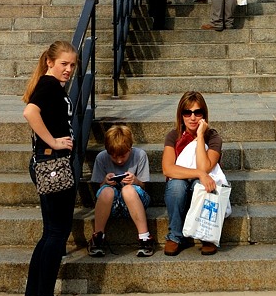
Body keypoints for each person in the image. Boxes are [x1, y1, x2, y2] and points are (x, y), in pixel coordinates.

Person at [20, 41, 80, 296]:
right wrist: (54, 141)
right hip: (54, 165)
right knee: (57, 233)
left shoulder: (49, 85)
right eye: (63, 64)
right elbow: (30, 113)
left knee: (49, 233)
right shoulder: (48, 85)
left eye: (72, 65)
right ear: (50, 62)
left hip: (46, 165)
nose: (68, 69)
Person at [161, 91, 225, 256]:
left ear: (204, 114)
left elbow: (205, 167)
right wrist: (199, 173)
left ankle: (207, 236)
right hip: (181, 183)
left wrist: (200, 136)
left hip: (199, 182)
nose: (192, 117)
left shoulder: (213, 137)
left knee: (202, 185)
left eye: (198, 112)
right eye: (187, 112)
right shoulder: (173, 136)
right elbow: (168, 169)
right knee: (176, 186)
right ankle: (175, 236)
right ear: (181, 115)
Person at [88, 124, 153, 257]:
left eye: (123, 156)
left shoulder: (140, 155)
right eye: (114, 156)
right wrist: (105, 182)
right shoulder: (101, 158)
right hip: (110, 202)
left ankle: (145, 238)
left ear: (130, 148)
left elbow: (144, 186)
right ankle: (98, 237)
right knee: (107, 192)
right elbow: (98, 188)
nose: (119, 160)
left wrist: (135, 181)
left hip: (135, 200)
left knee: (128, 190)